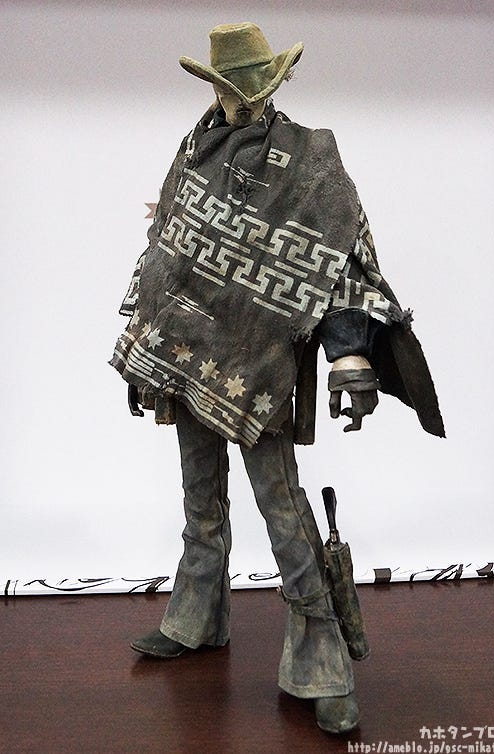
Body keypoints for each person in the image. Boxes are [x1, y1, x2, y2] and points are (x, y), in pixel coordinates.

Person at [110, 22, 444, 734]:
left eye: (249, 87)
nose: (238, 99)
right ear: (213, 86)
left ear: (274, 82)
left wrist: (348, 356)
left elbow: (340, 261)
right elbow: (167, 250)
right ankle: (197, 614)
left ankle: (321, 659)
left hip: (262, 362)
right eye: (227, 87)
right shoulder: (195, 148)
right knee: (199, 494)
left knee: (282, 508)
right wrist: (146, 350)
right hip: (189, 352)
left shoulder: (311, 159)